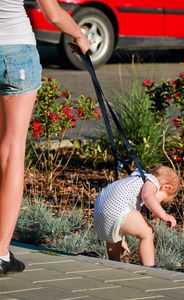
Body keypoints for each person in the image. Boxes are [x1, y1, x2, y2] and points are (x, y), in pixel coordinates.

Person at [0, 0, 90, 276]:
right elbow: (53, 13)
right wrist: (78, 34)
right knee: (12, 150)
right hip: (16, 52)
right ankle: (0, 253)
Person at [94, 165, 180, 267]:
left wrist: (120, 236)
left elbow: (119, 208)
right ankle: (149, 268)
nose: (159, 203)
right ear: (166, 187)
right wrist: (164, 215)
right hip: (117, 209)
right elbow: (148, 196)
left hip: (99, 210)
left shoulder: (136, 177)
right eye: (163, 201)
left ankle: (114, 262)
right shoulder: (153, 182)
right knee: (148, 233)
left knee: (116, 236)